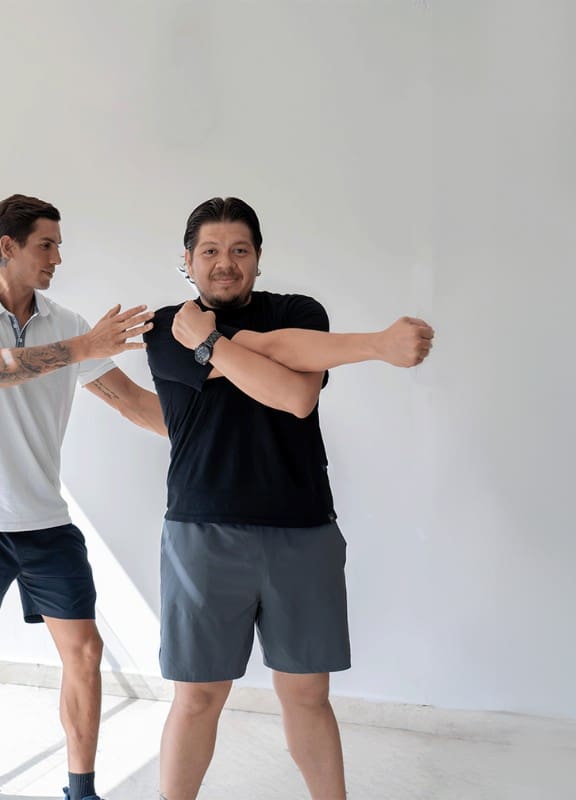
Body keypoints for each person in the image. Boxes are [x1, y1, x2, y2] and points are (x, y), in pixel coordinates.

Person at [144, 196, 434, 800]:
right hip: (201, 532)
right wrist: (371, 344)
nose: (225, 263)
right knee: (197, 697)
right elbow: (281, 372)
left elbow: (296, 397)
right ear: (188, 260)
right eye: (210, 251)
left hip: (302, 529)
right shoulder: (169, 324)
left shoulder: (301, 311)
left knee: (306, 693)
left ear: (257, 257)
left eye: (239, 250)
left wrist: (212, 342)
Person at [0, 194, 166, 800]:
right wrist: (85, 348)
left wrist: (218, 428)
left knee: (84, 652)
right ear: (8, 247)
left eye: (58, 245)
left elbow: (133, 403)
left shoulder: (67, 323)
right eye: (46, 245)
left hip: (44, 525)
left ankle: (81, 789)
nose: (57, 257)